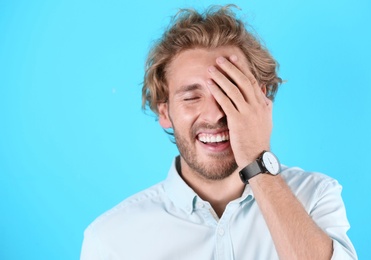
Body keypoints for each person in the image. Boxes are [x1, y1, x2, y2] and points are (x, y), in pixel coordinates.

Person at [81, 5, 357, 260]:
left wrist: (256, 161)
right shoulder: (111, 239)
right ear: (164, 112)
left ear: (260, 102)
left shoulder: (315, 196)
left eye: (230, 93)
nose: (214, 115)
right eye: (191, 97)